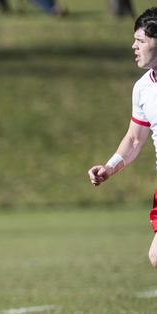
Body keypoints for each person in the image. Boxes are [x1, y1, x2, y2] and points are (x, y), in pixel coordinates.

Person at [88, 7, 157, 267]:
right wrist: (109, 167)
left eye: (141, 40)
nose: (134, 46)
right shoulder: (142, 88)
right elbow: (135, 139)